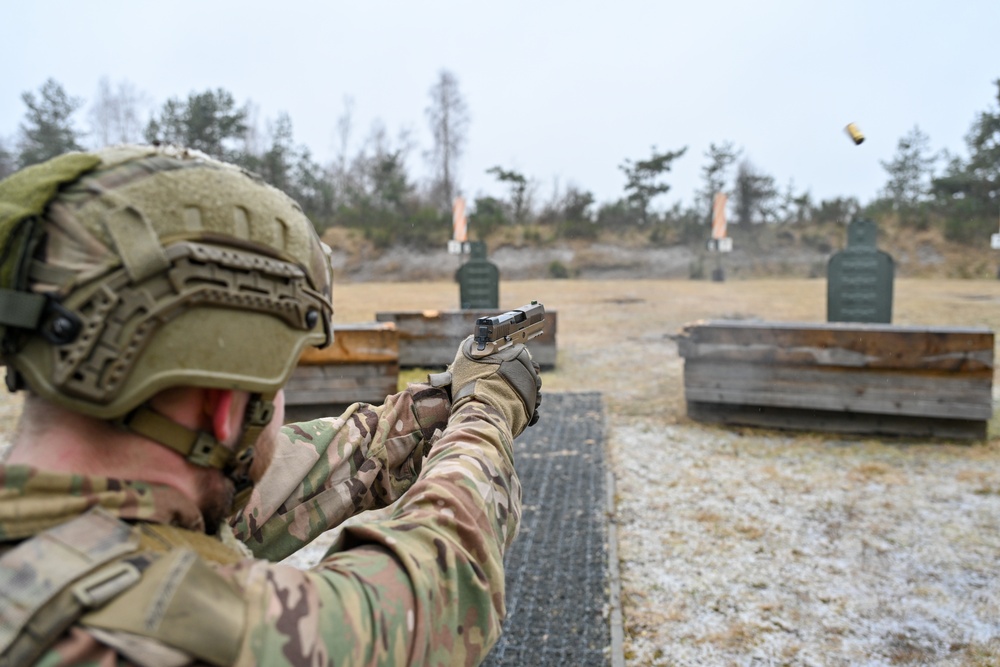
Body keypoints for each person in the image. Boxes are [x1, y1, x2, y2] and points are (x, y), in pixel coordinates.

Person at [0, 145, 541, 667]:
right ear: (224, 409)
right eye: (279, 379)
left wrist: (443, 400)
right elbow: (435, 590)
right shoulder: (156, 634)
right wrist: (487, 413)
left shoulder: (63, 519)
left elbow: (306, 470)